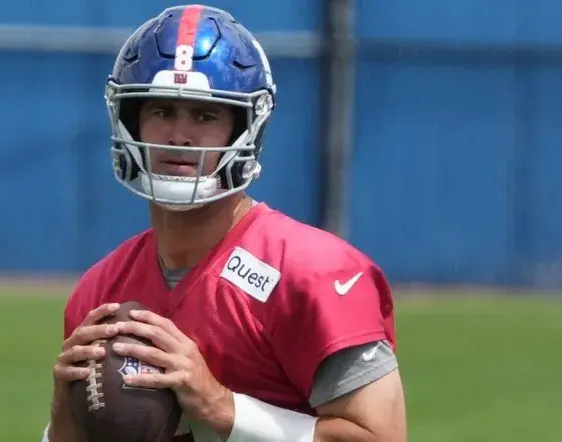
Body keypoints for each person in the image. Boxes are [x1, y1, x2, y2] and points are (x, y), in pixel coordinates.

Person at [45, 4, 407, 442]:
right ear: (129, 120)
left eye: (205, 115)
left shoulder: (313, 274)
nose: (179, 136)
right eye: (161, 111)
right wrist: (65, 418)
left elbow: (381, 437)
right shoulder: (100, 291)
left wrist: (223, 407)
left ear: (245, 129)